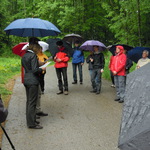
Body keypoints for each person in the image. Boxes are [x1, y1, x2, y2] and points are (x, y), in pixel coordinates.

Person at [21, 43, 46, 129]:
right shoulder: (33, 56)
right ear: (35, 48)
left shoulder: (24, 56)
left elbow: (28, 67)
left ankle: (31, 120)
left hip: (26, 79)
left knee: (29, 102)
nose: (39, 51)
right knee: (32, 102)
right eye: (39, 49)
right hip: (33, 81)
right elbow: (35, 70)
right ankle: (31, 123)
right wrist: (41, 69)